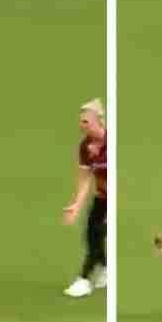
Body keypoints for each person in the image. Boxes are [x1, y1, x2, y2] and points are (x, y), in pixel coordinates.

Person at [63, 98, 107, 297]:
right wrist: (76, 206)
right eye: (81, 122)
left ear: (99, 121)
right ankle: (105, 268)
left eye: (86, 121)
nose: (81, 125)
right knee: (91, 235)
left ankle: (84, 280)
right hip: (102, 198)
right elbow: (85, 179)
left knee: (98, 233)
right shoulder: (85, 147)